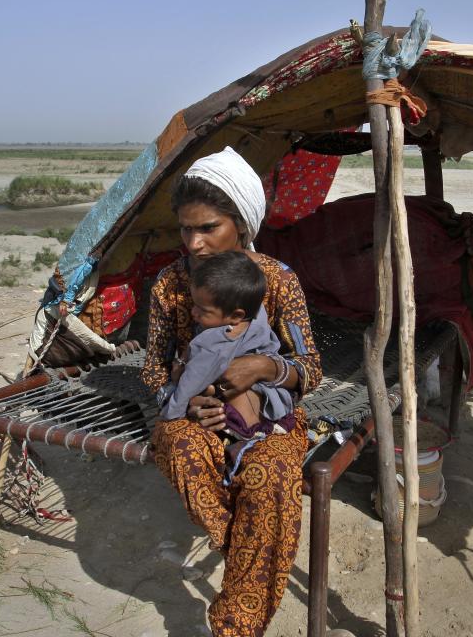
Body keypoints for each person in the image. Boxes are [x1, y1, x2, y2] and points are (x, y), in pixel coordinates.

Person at [142, 146, 321, 636]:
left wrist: (264, 368)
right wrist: (186, 398)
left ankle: (234, 628)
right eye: (185, 229)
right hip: (195, 417)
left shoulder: (278, 282)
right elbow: (155, 369)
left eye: (208, 228)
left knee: (269, 480)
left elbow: (311, 369)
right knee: (178, 445)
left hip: (265, 418)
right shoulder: (169, 285)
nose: (194, 242)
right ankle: (253, 547)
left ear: (240, 224)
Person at [157, 251, 296, 446]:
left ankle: (243, 434)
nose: (193, 312)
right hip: (275, 403)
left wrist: (171, 412)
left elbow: (190, 384)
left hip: (237, 416)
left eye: (202, 310)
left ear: (236, 315)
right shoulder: (256, 314)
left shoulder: (211, 345)